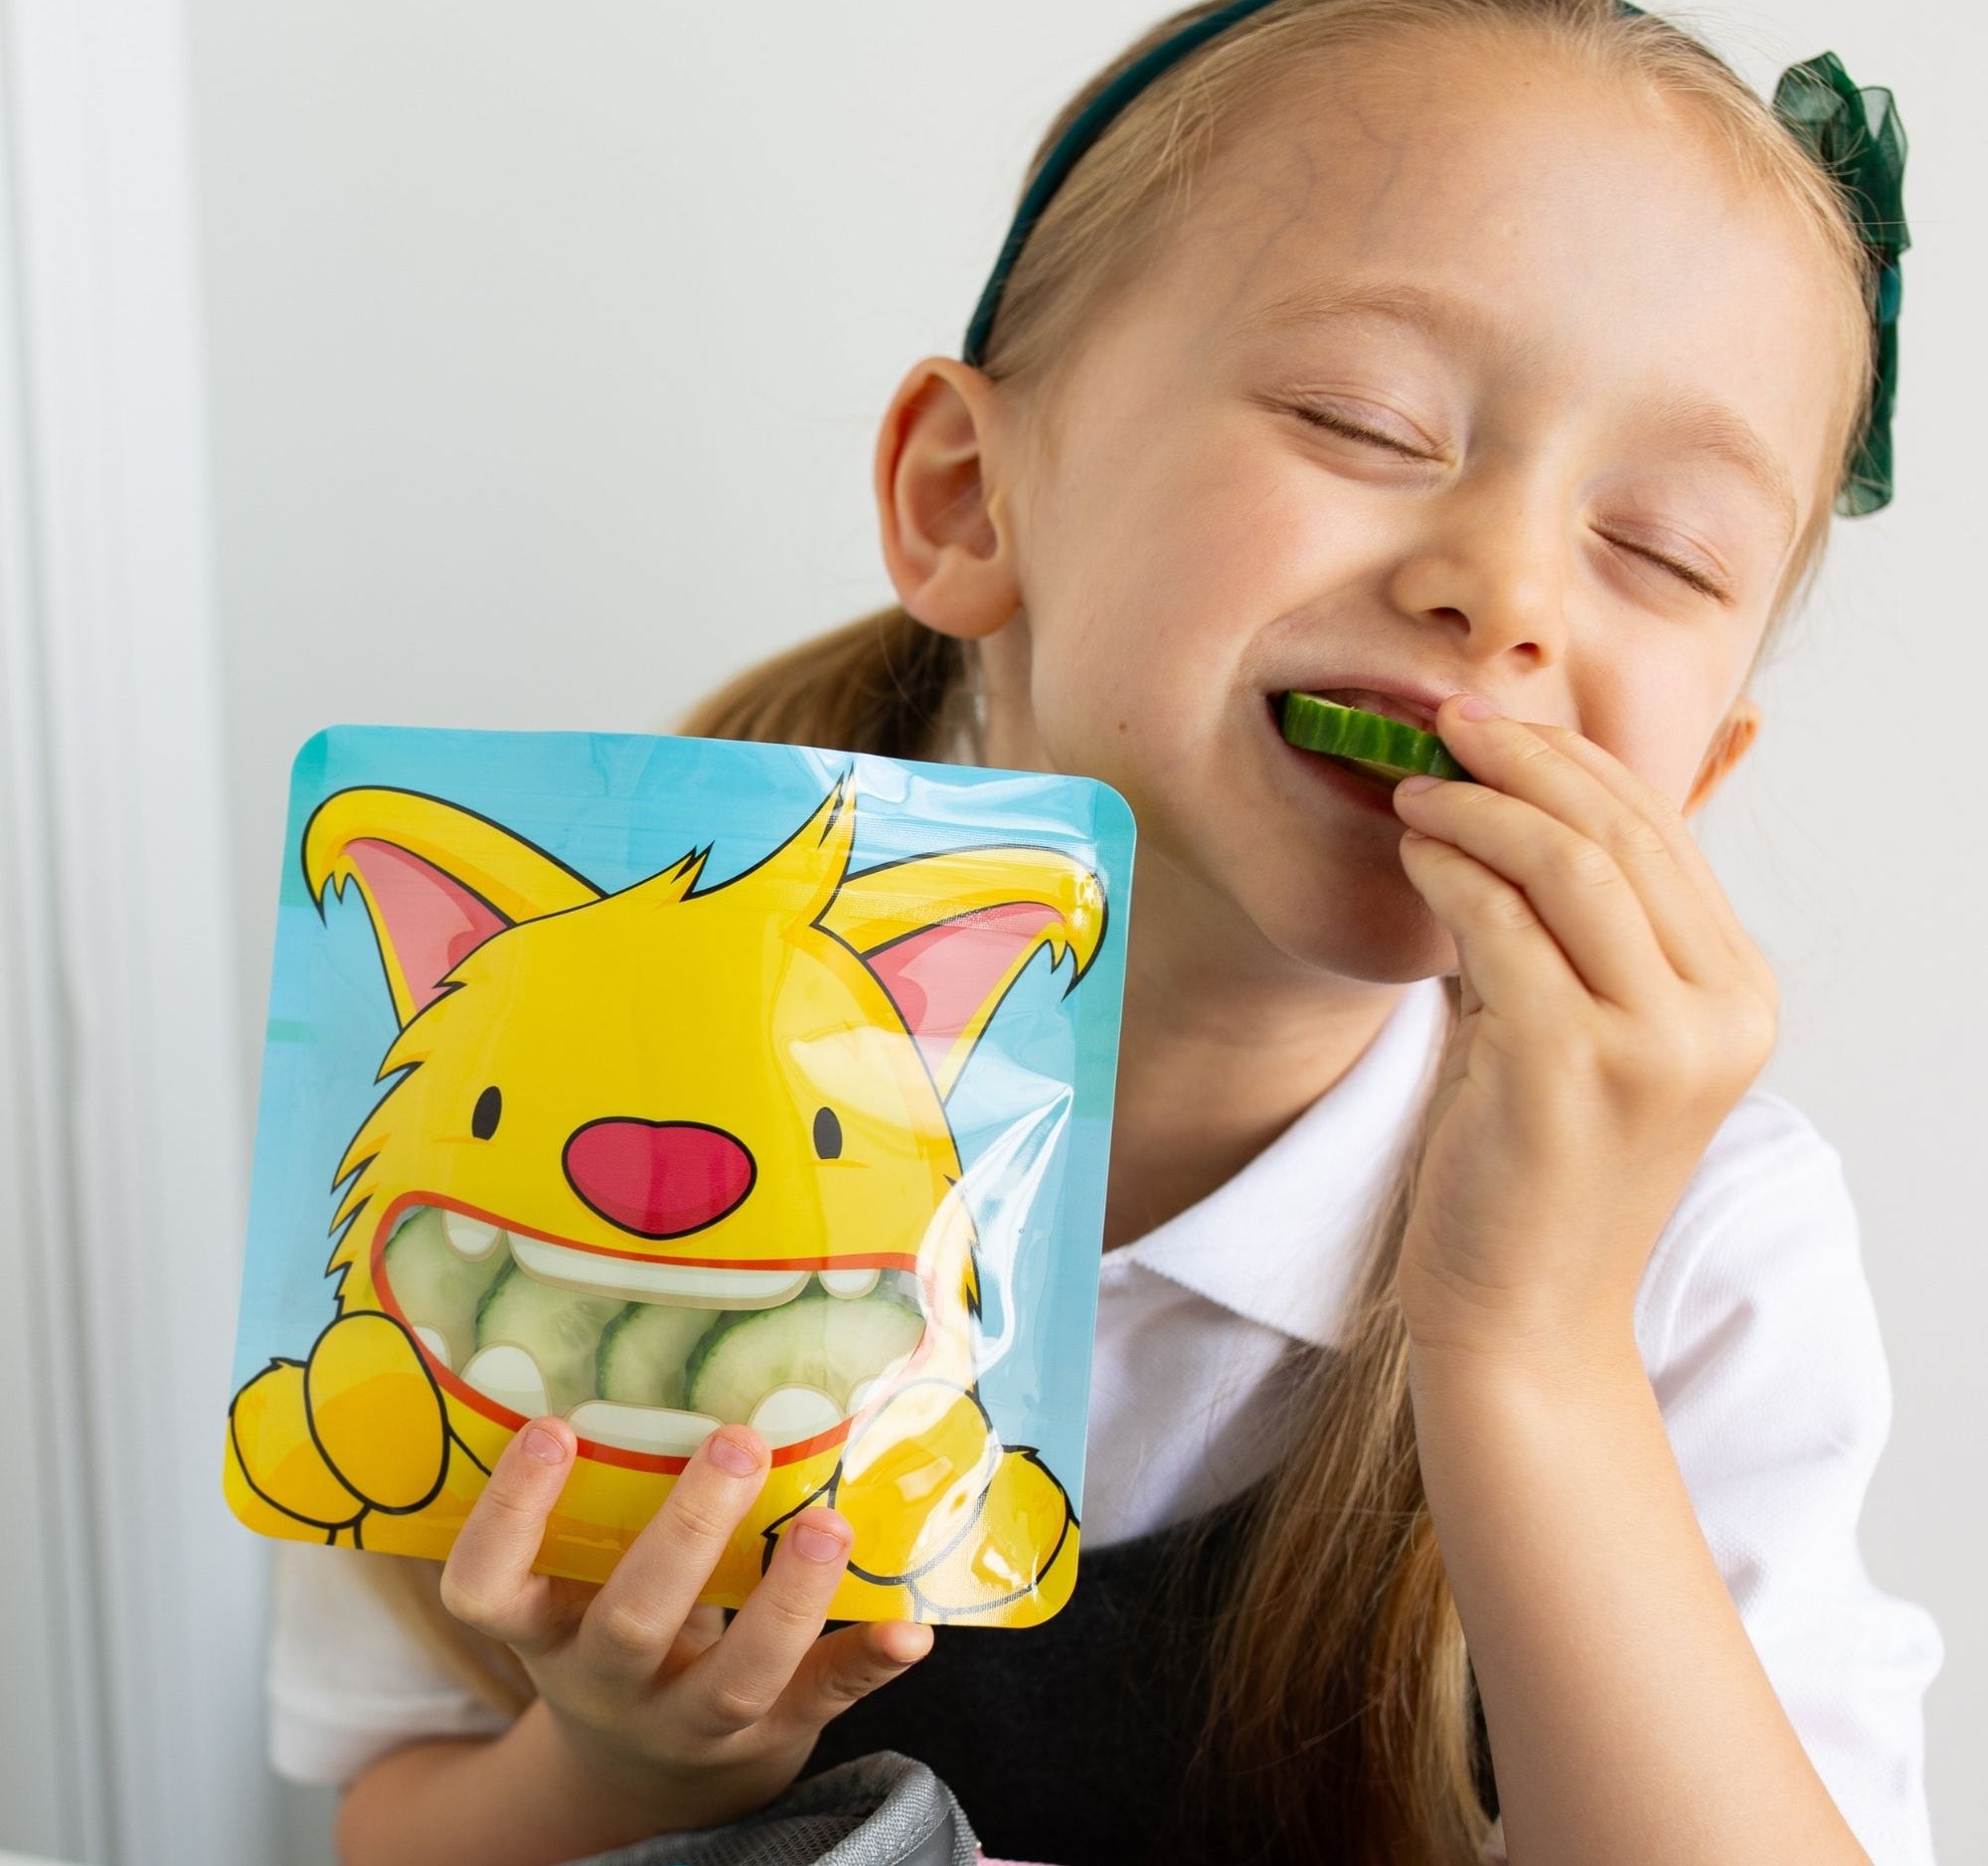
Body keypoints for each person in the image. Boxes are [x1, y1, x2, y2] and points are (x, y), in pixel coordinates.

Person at [272, 2, 1941, 1862]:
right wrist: (632, 1766)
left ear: (1695, 772)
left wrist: (1530, 1348)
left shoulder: (1707, 1253)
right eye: (1364, 421)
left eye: (1666, 548)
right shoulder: (519, 1091)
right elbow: (391, 1814)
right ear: (969, 499)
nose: (1509, 589)